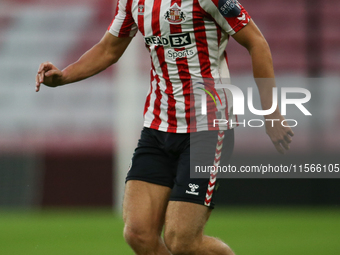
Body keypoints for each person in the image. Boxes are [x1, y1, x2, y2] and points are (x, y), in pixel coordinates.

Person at [36, 0, 294, 254]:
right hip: (158, 128)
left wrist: (270, 113)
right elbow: (108, 49)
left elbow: (257, 42)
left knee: (182, 242)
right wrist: (63, 77)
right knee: (139, 234)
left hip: (207, 129)